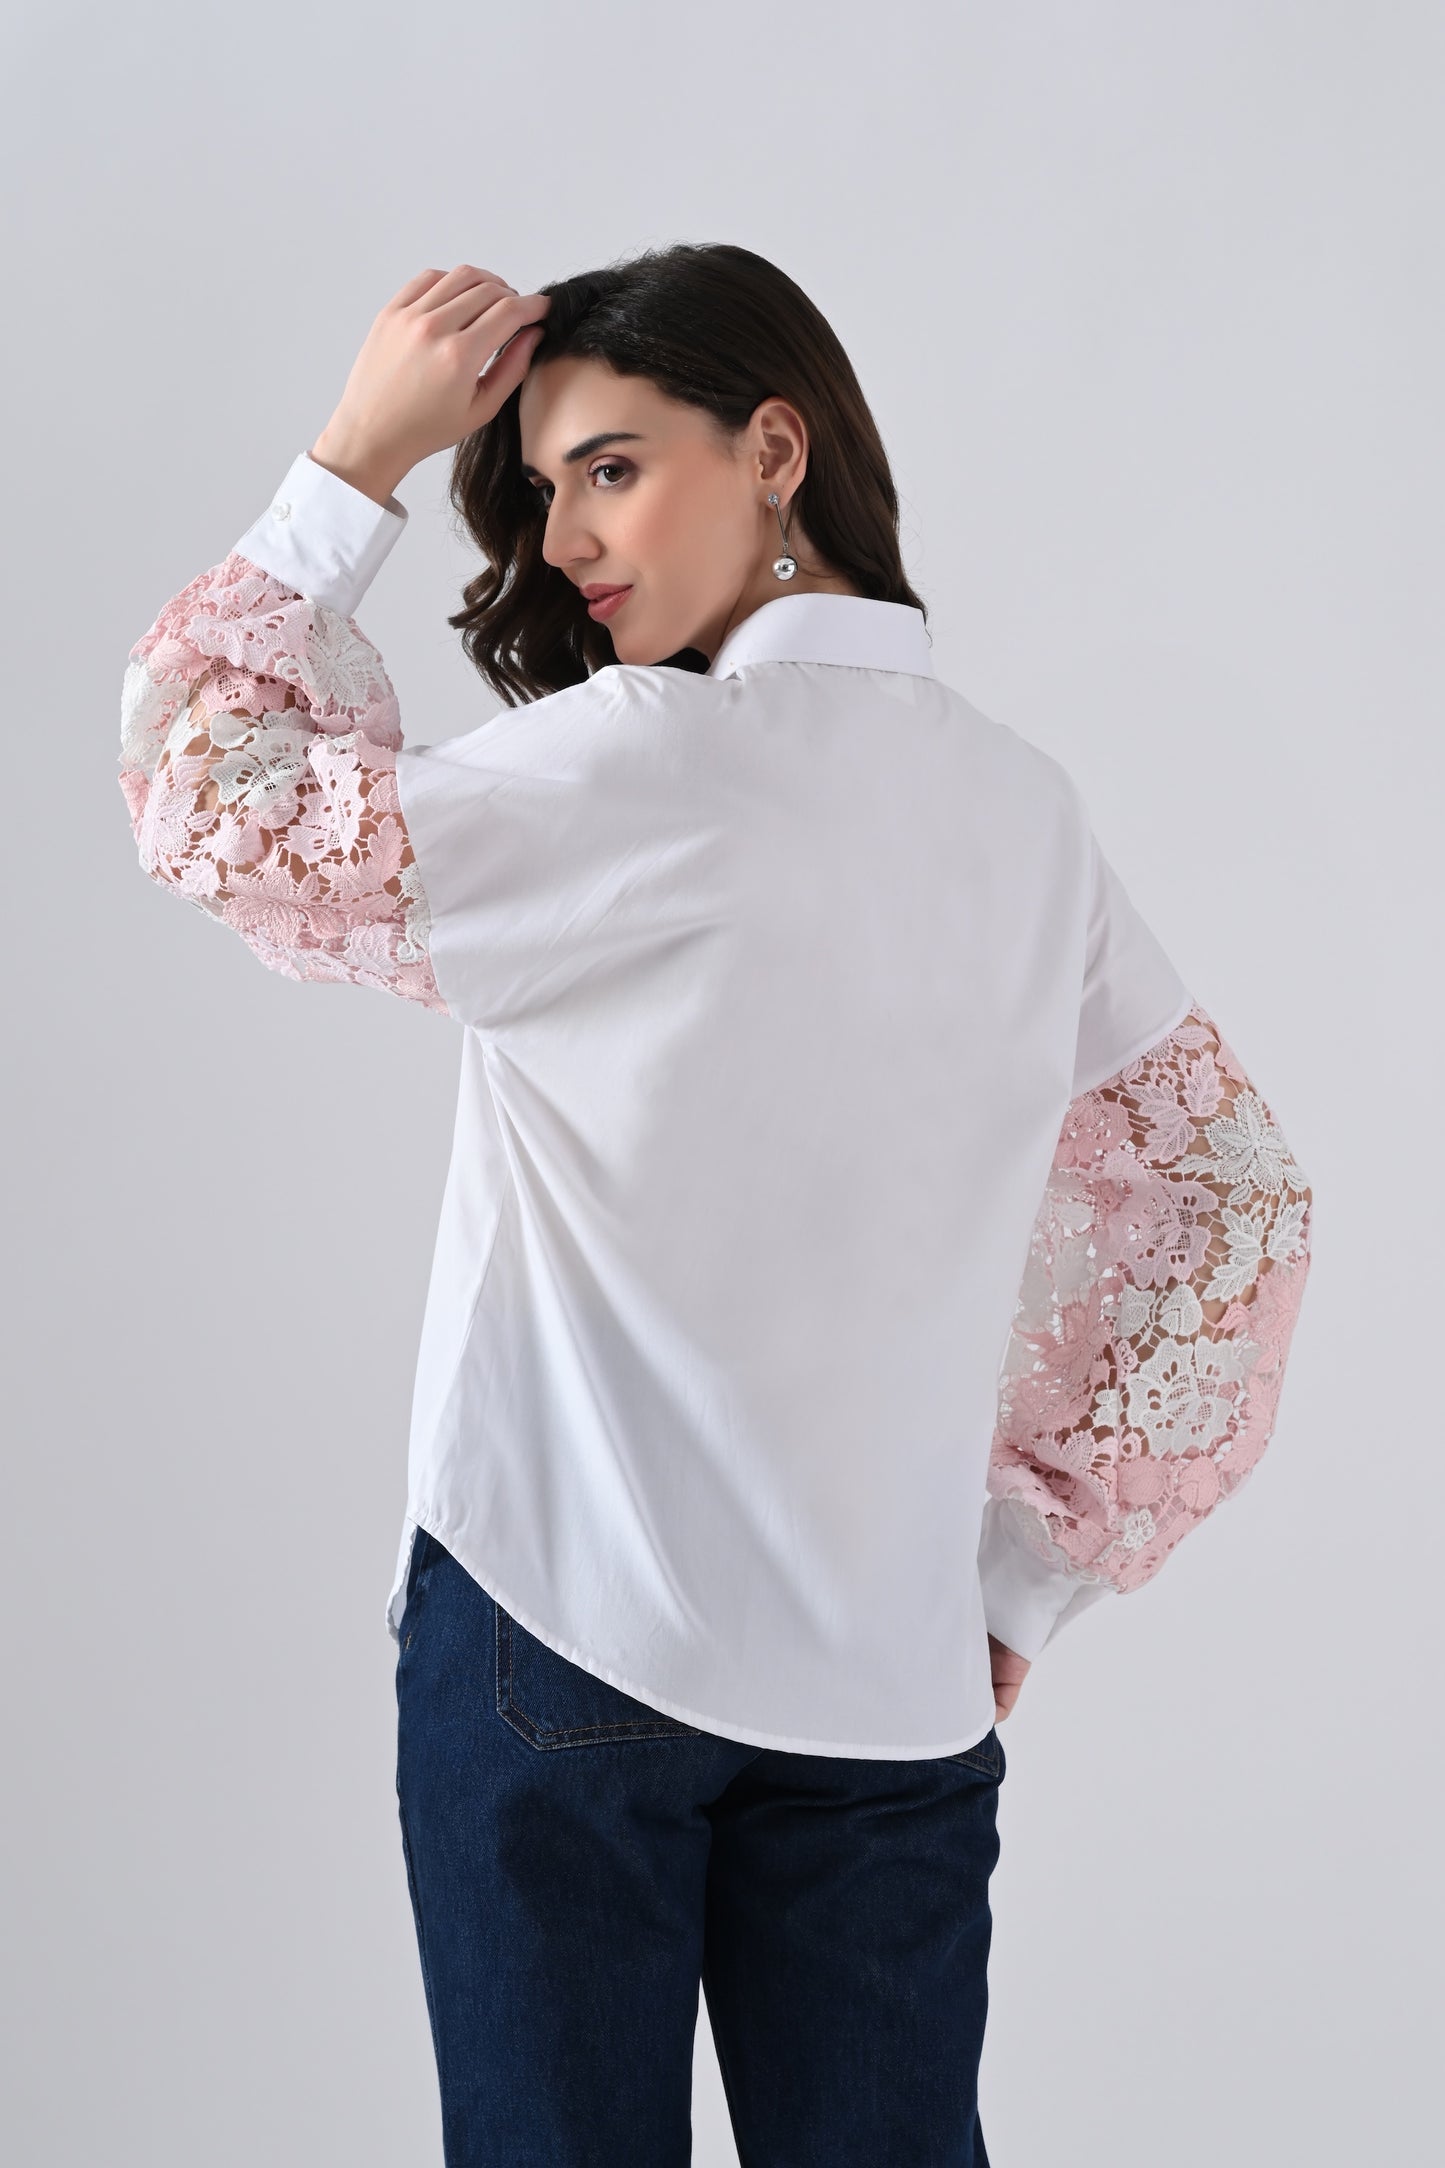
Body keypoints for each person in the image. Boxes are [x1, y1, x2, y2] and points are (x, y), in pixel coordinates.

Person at [117, 243, 1315, 2167]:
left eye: (609, 466)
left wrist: (351, 459)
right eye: (541, 490)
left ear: (775, 449)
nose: (565, 540)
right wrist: (1021, 1576)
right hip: (889, 1678)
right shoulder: (1021, 810)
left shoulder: (627, 764)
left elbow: (205, 791)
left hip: (558, 1617)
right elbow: (1228, 1197)